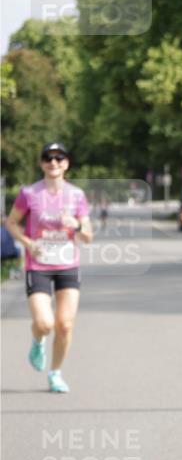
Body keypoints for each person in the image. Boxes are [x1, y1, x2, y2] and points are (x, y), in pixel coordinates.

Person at [5, 142, 93, 393]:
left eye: (59, 158)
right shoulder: (29, 193)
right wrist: (27, 242)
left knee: (65, 325)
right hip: (39, 264)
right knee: (45, 323)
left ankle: (55, 373)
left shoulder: (77, 195)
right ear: (41, 163)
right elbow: (11, 223)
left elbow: (88, 236)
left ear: (66, 163)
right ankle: (38, 340)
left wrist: (76, 225)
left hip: (68, 264)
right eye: (48, 158)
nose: (53, 162)